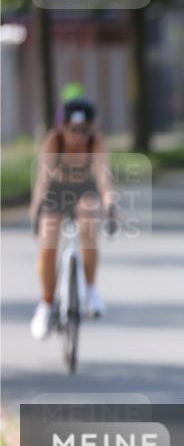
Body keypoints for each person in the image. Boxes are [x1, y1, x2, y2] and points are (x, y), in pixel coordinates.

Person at [29, 96, 117, 340]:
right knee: (48, 245)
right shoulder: (53, 141)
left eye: (85, 130)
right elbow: (42, 180)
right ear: (63, 127)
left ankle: (90, 291)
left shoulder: (96, 143)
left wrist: (110, 203)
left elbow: (103, 178)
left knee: (88, 225)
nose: (79, 136)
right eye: (74, 130)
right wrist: (37, 207)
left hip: (84, 191)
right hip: (57, 190)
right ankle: (46, 305)